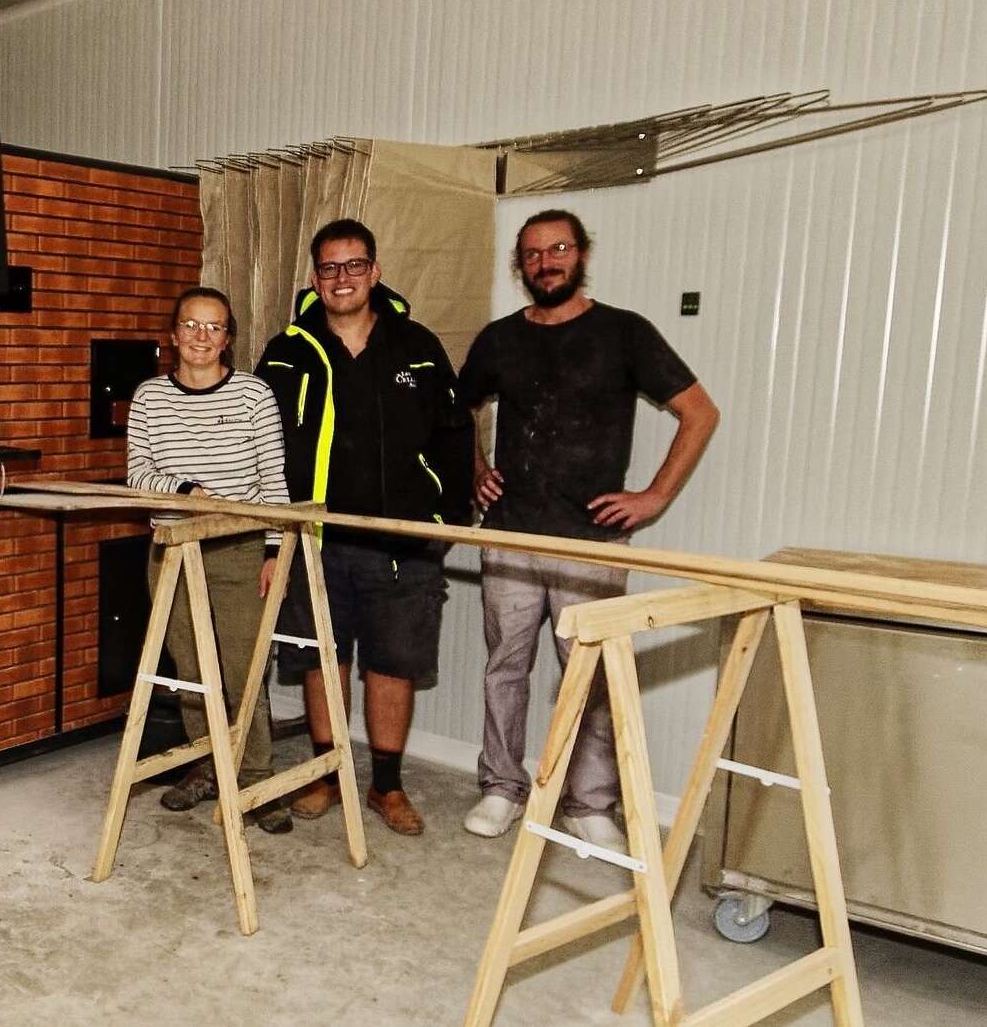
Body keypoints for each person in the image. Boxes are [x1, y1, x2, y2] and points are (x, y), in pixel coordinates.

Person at [457, 209, 720, 848]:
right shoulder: (498, 339)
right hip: (512, 533)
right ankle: (501, 787)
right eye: (533, 254)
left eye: (558, 249)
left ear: (581, 254)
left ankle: (589, 803)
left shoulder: (625, 333)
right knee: (504, 667)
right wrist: (476, 469)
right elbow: (456, 410)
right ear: (520, 267)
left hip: (592, 541)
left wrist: (654, 496)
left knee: (593, 671)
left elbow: (699, 413)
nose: (546, 262)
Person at [256, 219, 474, 837]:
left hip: (402, 544)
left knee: (392, 663)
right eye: (330, 268)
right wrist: (272, 537)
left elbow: (457, 437)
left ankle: (386, 784)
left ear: (375, 272)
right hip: (313, 542)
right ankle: (326, 775)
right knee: (323, 660)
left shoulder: (418, 346)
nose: (342, 278)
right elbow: (260, 445)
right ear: (315, 278)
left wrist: (446, 523)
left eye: (354, 265)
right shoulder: (286, 351)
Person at [127, 286, 293, 834]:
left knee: (243, 671)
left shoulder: (253, 395)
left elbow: (273, 480)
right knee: (194, 672)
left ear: (229, 338)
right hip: (173, 551)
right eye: (191, 326)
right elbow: (138, 476)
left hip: (239, 551)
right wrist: (183, 489)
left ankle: (255, 778)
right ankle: (206, 766)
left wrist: (275, 550)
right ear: (173, 335)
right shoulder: (149, 397)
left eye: (214, 327)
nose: (202, 337)